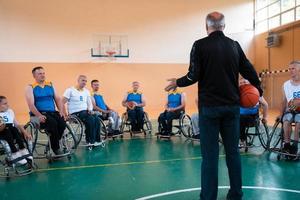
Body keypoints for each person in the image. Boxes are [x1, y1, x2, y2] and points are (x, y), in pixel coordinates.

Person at [165, 12, 262, 200]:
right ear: (224, 26)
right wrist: (258, 89)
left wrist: (177, 82)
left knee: (210, 157)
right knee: (233, 154)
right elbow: (249, 69)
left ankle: (208, 197)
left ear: (206, 26)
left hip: (209, 108)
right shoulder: (234, 45)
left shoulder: (199, 45)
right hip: (232, 108)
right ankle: (236, 194)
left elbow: (193, 75)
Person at [25, 66, 66, 155]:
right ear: (34, 76)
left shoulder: (50, 85)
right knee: (53, 123)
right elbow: (31, 105)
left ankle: (52, 142)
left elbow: (58, 99)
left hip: (52, 112)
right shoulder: (30, 87)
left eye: (43, 73)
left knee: (62, 123)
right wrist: (39, 115)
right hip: (37, 115)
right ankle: (56, 148)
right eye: (39, 74)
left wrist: (61, 111)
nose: (42, 75)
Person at [62, 75, 101, 147]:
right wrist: (65, 114)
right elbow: (62, 102)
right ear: (78, 80)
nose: (84, 82)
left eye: (86, 81)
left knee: (96, 118)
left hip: (85, 112)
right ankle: (90, 140)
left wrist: (90, 110)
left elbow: (89, 103)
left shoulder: (86, 91)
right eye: (83, 80)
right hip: (75, 113)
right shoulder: (70, 90)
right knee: (90, 119)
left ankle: (97, 140)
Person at [0, 96, 32, 165]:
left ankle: (22, 149)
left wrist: (25, 132)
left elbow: (17, 124)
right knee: (8, 129)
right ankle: (14, 153)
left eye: (7, 103)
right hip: (2, 132)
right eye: (4, 104)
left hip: (10, 130)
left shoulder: (9, 111)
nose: (7, 105)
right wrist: (2, 126)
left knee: (14, 129)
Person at [278, 60, 300, 156]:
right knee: (286, 120)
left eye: (293, 68)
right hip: (290, 110)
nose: (291, 71)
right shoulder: (286, 85)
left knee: (299, 121)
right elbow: (283, 101)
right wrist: (280, 115)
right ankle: (287, 145)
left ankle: (295, 146)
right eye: (289, 69)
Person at [239, 77, 268, 148]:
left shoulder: (254, 92)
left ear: (249, 83)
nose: (243, 84)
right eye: (241, 83)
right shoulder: (237, 93)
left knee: (240, 118)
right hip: (239, 117)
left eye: (245, 82)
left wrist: (265, 117)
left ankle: (242, 140)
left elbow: (265, 105)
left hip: (253, 118)